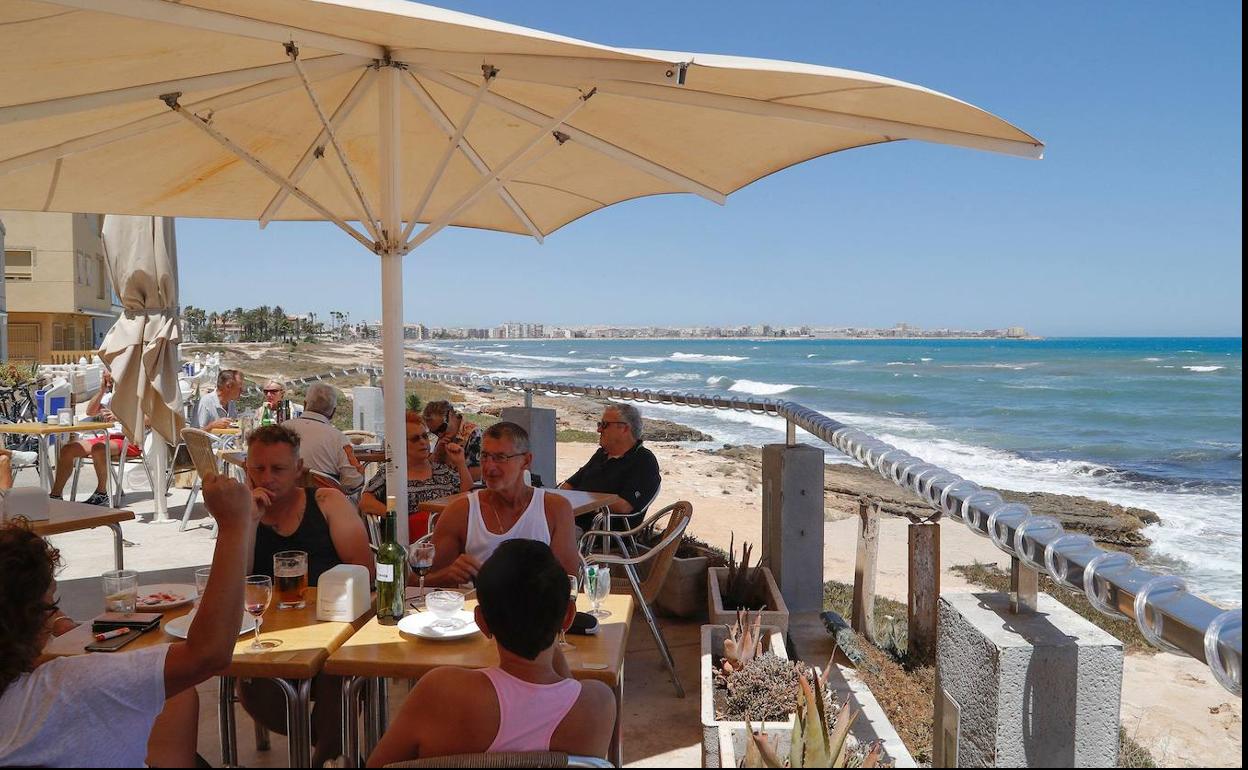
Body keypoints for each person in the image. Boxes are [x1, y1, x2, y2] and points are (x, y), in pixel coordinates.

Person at [0, 473, 259, 767]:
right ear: (30, 619)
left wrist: (60, 623)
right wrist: (234, 525)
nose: (53, 617)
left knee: (175, 699)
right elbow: (208, 654)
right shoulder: (67, 687)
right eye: (51, 605)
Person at [366, 539, 616, 765]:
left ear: (481, 622)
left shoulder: (440, 692)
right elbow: (563, 689)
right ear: (569, 617)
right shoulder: (597, 706)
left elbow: (378, 765)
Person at [240, 424, 373, 767]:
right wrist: (249, 521)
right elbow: (235, 582)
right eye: (259, 468)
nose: (267, 477)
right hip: (270, 633)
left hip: (333, 627)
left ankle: (323, 756)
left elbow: (365, 571)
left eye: (278, 469)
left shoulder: (326, 502)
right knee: (252, 686)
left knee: (340, 668)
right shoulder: (241, 514)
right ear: (246, 468)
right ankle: (334, 746)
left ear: (299, 469)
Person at [424, 422, 579, 588]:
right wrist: (449, 575)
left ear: (526, 461)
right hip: (478, 611)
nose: (489, 467)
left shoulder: (554, 509)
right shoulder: (461, 511)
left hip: (535, 610)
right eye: (484, 456)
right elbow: (419, 581)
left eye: (500, 458)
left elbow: (568, 583)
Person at [359, 412, 471, 542]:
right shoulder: (391, 473)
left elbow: (466, 496)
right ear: (400, 444)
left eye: (425, 436)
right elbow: (365, 502)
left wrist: (461, 463)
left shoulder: (442, 470)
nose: (423, 442)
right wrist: (395, 517)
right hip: (409, 543)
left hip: (448, 537)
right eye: (415, 439)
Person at [47, 369, 142, 506]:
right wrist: (102, 390)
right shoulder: (110, 396)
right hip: (107, 438)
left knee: (99, 448)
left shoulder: (137, 395)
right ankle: (55, 495)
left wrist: (119, 416)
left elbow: (149, 420)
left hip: (130, 439)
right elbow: (90, 411)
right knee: (68, 449)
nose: (109, 380)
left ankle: (102, 494)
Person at [560, 403, 661, 530]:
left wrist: (581, 501)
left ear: (624, 428)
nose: (599, 430)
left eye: (604, 425)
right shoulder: (601, 454)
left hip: (601, 531)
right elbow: (569, 485)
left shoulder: (643, 460)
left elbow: (624, 505)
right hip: (570, 519)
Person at [283, 383, 364, 491]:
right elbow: (354, 481)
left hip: (284, 500)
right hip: (323, 503)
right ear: (333, 412)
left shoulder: (282, 429)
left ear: (305, 404)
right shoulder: (338, 438)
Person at [423, 400, 483, 483]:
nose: (439, 435)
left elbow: (476, 475)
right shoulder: (445, 436)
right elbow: (427, 467)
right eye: (435, 432)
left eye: (441, 428)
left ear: (450, 414)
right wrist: (436, 454)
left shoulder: (473, 433)